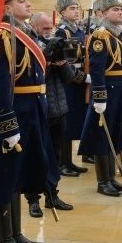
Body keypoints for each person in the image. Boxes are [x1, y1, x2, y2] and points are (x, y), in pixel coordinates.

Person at [0, 0, 54, 243]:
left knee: (21, 172)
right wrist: (5, 122)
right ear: (5, 7)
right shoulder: (3, 35)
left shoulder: (23, 32)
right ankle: (4, 239)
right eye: (21, 0)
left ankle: (16, 233)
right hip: (15, 111)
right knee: (5, 175)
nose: (28, 4)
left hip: (33, 108)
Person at [78, 0, 122, 197]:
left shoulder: (118, 34)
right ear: (104, 14)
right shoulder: (100, 36)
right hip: (108, 91)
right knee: (103, 137)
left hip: (120, 89)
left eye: (121, 9)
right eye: (115, 10)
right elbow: (96, 69)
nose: (119, 12)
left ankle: (111, 177)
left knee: (115, 133)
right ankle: (103, 181)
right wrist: (99, 97)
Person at [26, 12, 77, 217]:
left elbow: (70, 78)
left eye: (51, 28)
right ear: (35, 26)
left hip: (59, 108)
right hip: (40, 110)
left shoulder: (58, 45)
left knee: (55, 156)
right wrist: (45, 60)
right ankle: (33, 200)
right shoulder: (31, 45)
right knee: (36, 156)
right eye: (45, 28)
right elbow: (31, 77)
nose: (49, 31)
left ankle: (52, 194)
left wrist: (62, 63)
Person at [54, 0, 88, 178]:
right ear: (63, 12)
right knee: (65, 123)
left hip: (79, 82)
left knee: (73, 122)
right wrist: (82, 77)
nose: (76, 11)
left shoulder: (79, 30)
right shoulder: (62, 32)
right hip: (69, 82)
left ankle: (69, 161)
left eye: (77, 8)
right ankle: (62, 162)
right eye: (72, 8)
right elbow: (64, 62)